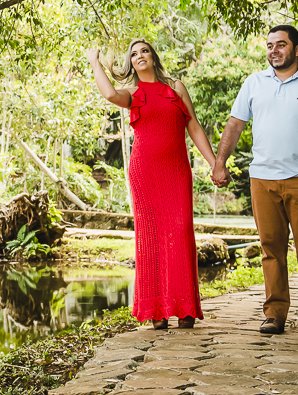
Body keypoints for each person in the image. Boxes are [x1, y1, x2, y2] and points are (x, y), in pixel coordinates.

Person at [211, 25, 298, 339]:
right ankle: (274, 316)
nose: (274, 50)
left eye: (281, 45)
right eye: (270, 45)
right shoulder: (254, 82)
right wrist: (220, 162)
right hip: (262, 179)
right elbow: (235, 125)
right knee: (271, 250)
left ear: (297, 49)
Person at [86, 39, 218, 329]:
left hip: (176, 170)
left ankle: (184, 307)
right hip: (144, 170)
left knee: (181, 230)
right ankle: (156, 310)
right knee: (151, 237)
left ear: (153, 56)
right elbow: (108, 94)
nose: (139, 56)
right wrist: (95, 61)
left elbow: (193, 125)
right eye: (133, 54)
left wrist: (214, 163)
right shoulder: (133, 92)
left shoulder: (175, 87)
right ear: (131, 63)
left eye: (144, 50)